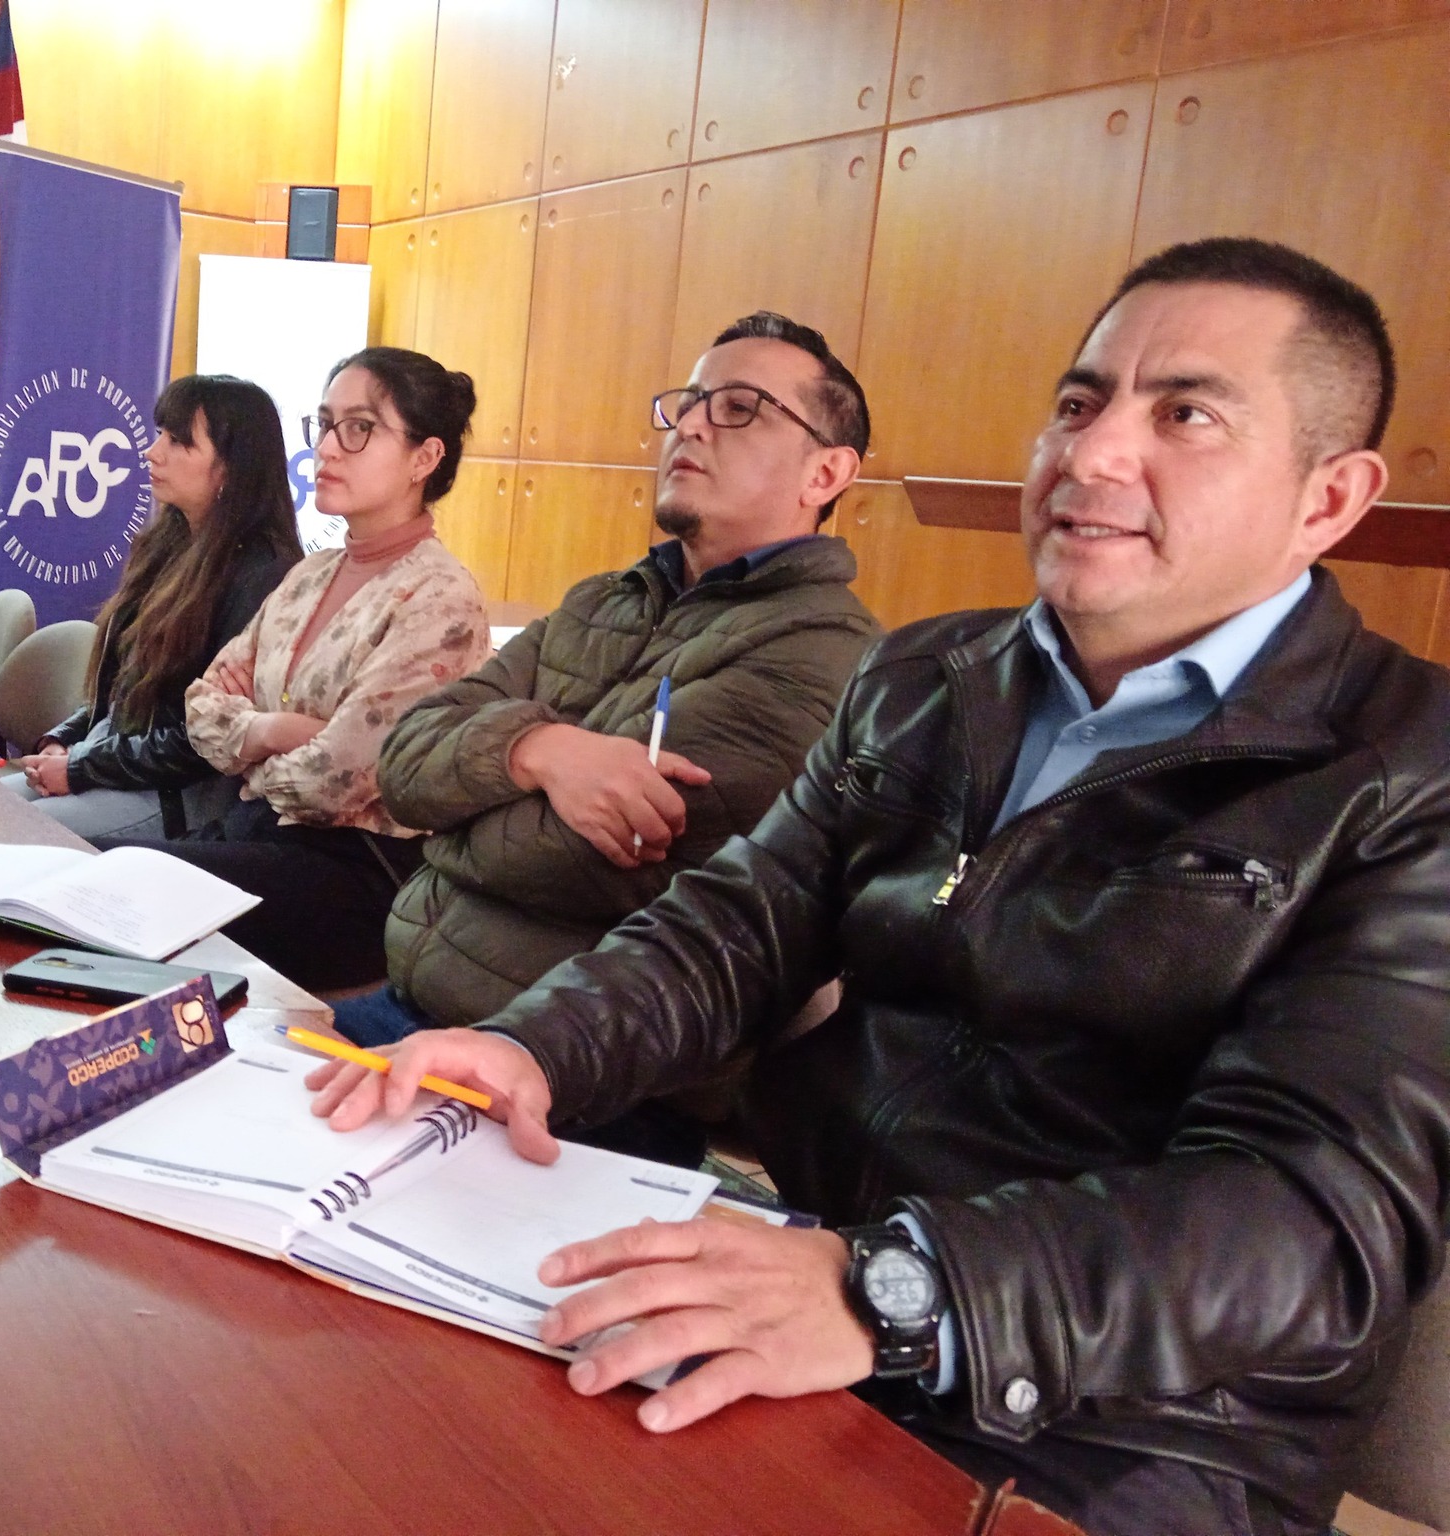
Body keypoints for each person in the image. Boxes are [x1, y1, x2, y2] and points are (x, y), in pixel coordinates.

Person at [307, 239, 1450, 1536]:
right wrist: (532, 1046)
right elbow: (736, 925)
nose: (1091, 453)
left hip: (1132, 1429)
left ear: (1329, 497)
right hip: (806, 1269)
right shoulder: (926, 679)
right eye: (1078, 402)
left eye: (1184, 414)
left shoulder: (1406, 774)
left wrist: (891, 1291)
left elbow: (1310, 1218)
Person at [338, 312, 880, 1061]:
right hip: (407, 1002)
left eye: (739, 407)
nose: (691, 425)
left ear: (826, 473)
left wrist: (450, 821)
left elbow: (593, 859)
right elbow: (401, 766)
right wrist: (536, 750)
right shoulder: (603, 600)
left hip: (573, 1063)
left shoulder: (822, 648)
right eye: (689, 402)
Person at [99, 347, 492, 991]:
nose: (327, 449)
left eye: (358, 428)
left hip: (353, 875)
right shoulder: (310, 574)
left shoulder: (440, 598)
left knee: (112, 879)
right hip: (258, 834)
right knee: (88, 876)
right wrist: (278, 730)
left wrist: (251, 750)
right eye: (325, 424)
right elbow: (204, 708)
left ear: (425, 458)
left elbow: (334, 782)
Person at [3, 375, 301, 839]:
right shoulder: (168, 544)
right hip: (115, 761)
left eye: (178, 441)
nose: (152, 451)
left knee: (6, 833)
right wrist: (65, 740)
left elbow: (203, 741)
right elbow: (124, 691)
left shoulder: (264, 575)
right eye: (161, 433)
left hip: (177, 794)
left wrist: (80, 767)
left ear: (231, 467)